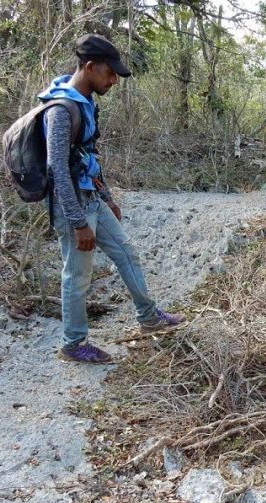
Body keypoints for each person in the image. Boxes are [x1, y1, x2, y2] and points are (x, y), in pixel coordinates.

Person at [38, 33, 185, 364]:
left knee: (126, 252)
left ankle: (149, 317)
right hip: (72, 206)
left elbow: (85, 155)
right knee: (77, 277)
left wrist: (106, 195)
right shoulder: (60, 109)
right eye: (109, 73)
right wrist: (78, 223)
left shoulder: (85, 103)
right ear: (90, 67)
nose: (114, 80)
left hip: (91, 199)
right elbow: (56, 169)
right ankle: (73, 344)